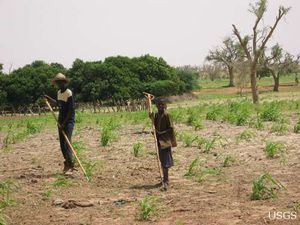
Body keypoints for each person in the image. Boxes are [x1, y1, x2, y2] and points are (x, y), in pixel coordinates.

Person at [44, 73, 75, 173]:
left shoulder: (68, 93)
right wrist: (48, 98)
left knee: (67, 143)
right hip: (60, 121)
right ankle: (67, 163)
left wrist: (64, 123)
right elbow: (58, 103)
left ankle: (70, 164)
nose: (59, 84)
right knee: (62, 144)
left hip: (68, 121)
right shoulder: (59, 93)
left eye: (60, 82)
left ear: (64, 82)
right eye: (57, 83)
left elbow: (71, 109)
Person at [150, 98, 177, 191]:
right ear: (156, 106)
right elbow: (155, 125)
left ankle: (166, 180)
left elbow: (171, 128)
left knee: (165, 161)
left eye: (162, 105)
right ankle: (164, 178)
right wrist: (151, 118)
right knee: (162, 160)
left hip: (165, 141)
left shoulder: (167, 115)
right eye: (158, 105)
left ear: (165, 106)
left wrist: (161, 133)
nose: (160, 106)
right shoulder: (157, 115)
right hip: (159, 141)